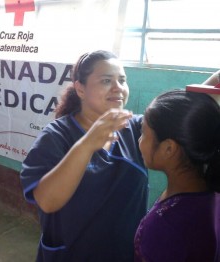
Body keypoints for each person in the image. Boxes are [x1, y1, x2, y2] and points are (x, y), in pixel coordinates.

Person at [20, 50, 148, 261]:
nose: (118, 88)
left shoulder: (134, 129)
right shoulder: (56, 137)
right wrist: (87, 144)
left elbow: (178, 114)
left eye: (122, 80)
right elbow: (47, 201)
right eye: (106, 80)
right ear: (80, 89)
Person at [134, 89, 220, 261]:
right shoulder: (209, 194)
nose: (139, 140)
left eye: (143, 133)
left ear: (168, 149)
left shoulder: (164, 228)